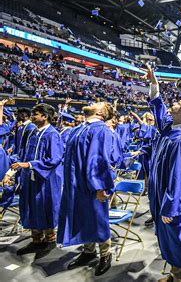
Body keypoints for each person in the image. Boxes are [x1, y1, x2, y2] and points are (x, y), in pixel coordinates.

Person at [146, 67, 181, 281]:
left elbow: (179, 178)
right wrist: (154, 84)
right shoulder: (172, 129)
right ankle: (174, 276)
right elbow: (159, 114)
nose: (173, 103)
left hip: (173, 204)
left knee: (178, 242)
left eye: (177, 103)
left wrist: (171, 206)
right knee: (169, 240)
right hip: (164, 199)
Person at [57, 101, 116, 276]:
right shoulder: (79, 128)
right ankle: (88, 251)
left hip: (92, 185)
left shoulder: (101, 129)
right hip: (76, 183)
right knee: (83, 216)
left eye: (97, 103)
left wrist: (100, 186)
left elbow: (100, 159)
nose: (92, 102)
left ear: (101, 112)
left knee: (98, 218)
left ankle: (106, 254)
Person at [5, 104, 64, 255]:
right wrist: (11, 173)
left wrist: (29, 164)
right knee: (31, 207)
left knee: (45, 207)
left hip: (46, 180)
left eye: (36, 114)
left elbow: (54, 159)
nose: (32, 117)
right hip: (30, 178)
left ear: (45, 117)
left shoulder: (52, 134)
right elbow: (23, 155)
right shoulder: (33, 133)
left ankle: (50, 240)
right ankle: (36, 240)